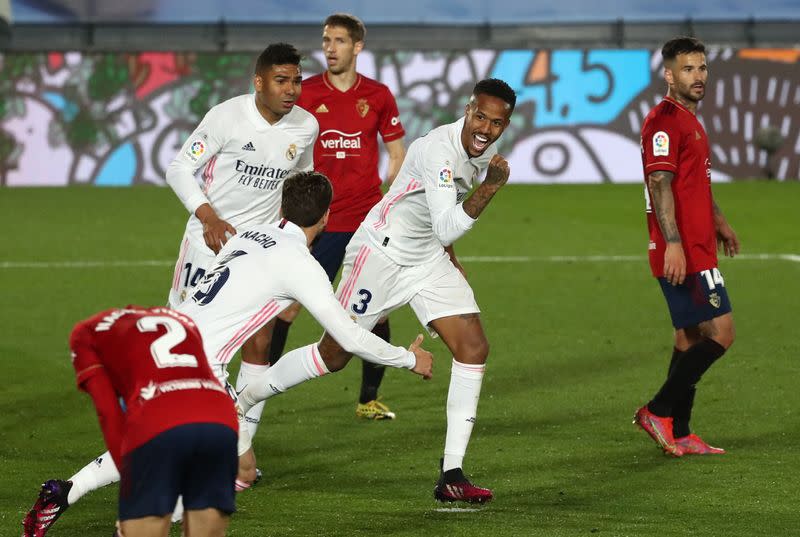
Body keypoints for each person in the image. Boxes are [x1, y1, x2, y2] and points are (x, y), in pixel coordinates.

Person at [23, 171, 432, 537]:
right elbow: (348, 335)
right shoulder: (299, 263)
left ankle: (64, 491)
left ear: (282, 206)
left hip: (160, 345)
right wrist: (408, 359)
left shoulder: (250, 233)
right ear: (326, 218)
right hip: (200, 368)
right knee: (228, 473)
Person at [21, 43, 319, 536]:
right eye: (282, 81)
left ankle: (239, 454)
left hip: (256, 253)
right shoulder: (226, 118)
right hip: (207, 247)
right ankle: (197, 462)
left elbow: (298, 181)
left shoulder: (304, 126)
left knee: (259, 344)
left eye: (297, 81)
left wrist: (284, 238)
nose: (292, 90)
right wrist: (208, 216)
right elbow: (179, 167)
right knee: (183, 358)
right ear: (259, 81)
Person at [237, 79, 516, 504]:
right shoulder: (439, 150)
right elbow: (446, 220)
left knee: (474, 347)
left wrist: (452, 259)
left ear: (506, 123)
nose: (486, 129)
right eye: (480, 117)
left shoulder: (478, 154)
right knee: (334, 355)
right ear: (468, 109)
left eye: (497, 123)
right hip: (380, 254)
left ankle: (452, 473)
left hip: (426, 259)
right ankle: (246, 396)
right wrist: (491, 187)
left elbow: (438, 218)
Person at [237, 13, 407, 428]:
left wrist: (386, 203)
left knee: (375, 312)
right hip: (319, 222)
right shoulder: (307, 92)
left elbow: (398, 153)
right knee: (288, 307)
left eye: (339, 40)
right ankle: (253, 393)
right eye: (326, 39)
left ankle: (369, 398)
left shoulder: (380, 96)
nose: (330, 47)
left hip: (364, 221)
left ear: (357, 47)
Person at [24, 307, 238, 537]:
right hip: (221, 415)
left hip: (159, 417)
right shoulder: (180, 318)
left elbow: (108, 413)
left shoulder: (83, 334)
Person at [633, 36, 740, 457]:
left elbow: (692, 183)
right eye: (688, 69)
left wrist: (719, 221)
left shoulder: (689, 120)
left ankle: (680, 430)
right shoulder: (664, 121)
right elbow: (659, 182)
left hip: (698, 243)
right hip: (684, 250)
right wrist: (673, 245)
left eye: (702, 68)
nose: (698, 77)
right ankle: (657, 411)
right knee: (721, 334)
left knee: (689, 339)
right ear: (669, 74)